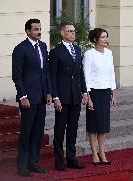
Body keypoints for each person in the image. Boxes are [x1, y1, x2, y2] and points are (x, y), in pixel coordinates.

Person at [12, 19, 52, 177]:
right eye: (35, 29)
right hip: (28, 98)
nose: (39, 31)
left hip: (41, 96)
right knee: (26, 132)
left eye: (40, 29)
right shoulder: (20, 49)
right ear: (28, 31)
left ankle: (34, 162)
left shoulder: (43, 46)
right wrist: (23, 96)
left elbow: (46, 72)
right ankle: (22, 165)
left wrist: (48, 92)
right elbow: (17, 76)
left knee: (38, 132)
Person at [49, 22, 88, 171]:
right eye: (70, 31)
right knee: (60, 130)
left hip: (75, 97)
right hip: (62, 97)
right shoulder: (56, 52)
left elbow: (80, 74)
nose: (73, 33)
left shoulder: (77, 50)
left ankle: (72, 159)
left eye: (74, 31)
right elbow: (52, 77)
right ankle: (59, 161)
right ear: (62, 33)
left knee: (73, 129)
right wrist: (55, 97)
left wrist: (84, 92)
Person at [83, 28, 116, 165]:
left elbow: (111, 73)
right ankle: (94, 153)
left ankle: (102, 152)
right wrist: (88, 97)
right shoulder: (89, 54)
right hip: (94, 92)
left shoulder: (109, 53)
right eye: (103, 37)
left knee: (103, 124)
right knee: (93, 124)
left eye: (106, 37)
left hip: (105, 91)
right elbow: (86, 76)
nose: (106, 39)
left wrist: (113, 94)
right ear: (96, 39)